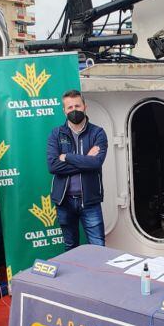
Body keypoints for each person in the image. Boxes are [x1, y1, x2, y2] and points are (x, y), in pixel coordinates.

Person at [47, 89, 108, 250]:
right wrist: (85, 160)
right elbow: (53, 166)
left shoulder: (98, 133)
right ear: (64, 110)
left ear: (85, 106)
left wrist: (67, 157)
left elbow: (96, 163)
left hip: (90, 201)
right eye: (70, 107)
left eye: (77, 106)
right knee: (70, 248)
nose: (74, 110)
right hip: (64, 201)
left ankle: (98, 276)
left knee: (98, 247)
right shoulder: (56, 134)